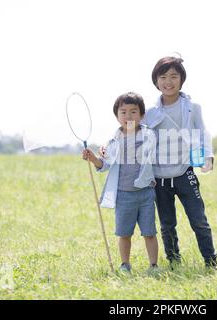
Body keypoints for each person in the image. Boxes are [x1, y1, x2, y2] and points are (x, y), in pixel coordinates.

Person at [142, 55, 217, 269]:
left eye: (174, 76)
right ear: (156, 81)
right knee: (167, 224)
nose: (168, 81)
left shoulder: (193, 107)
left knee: (199, 221)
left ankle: (211, 261)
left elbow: (203, 133)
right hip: (159, 178)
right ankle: (174, 262)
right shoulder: (149, 113)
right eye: (163, 76)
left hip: (185, 173)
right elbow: (131, 134)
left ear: (181, 80)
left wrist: (208, 157)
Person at [82, 92, 159, 273]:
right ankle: (125, 264)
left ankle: (154, 264)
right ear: (117, 116)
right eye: (123, 112)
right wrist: (94, 158)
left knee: (149, 232)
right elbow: (105, 164)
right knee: (124, 233)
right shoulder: (112, 142)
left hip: (145, 192)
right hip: (123, 194)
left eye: (134, 112)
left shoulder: (149, 135)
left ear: (141, 115)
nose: (128, 116)